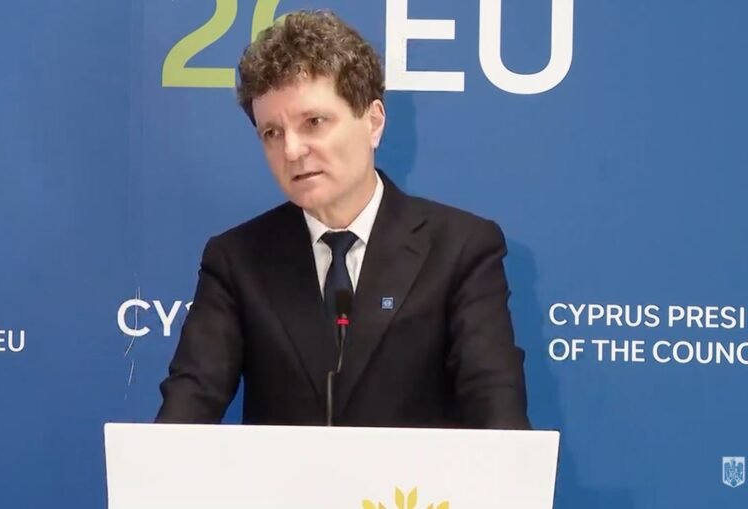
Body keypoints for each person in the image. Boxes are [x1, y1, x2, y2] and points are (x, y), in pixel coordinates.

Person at [156, 10, 530, 429]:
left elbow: (499, 420)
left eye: (313, 122)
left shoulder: (461, 248)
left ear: (373, 122)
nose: (292, 151)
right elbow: (186, 412)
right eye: (272, 133)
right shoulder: (236, 260)